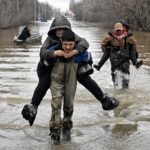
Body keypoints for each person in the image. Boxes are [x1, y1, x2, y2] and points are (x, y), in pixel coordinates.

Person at [21, 16, 119, 127]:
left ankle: (103, 99)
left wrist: (75, 51)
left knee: (84, 77)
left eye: (63, 30)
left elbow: (85, 43)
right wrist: (55, 53)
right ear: (53, 30)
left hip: (70, 65)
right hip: (51, 66)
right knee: (44, 82)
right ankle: (33, 107)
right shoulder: (50, 39)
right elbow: (42, 52)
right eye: (57, 29)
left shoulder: (72, 37)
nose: (60, 32)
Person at [94, 23, 139, 89]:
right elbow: (103, 44)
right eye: (117, 30)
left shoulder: (129, 38)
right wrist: (105, 50)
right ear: (115, 30)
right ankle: (117, 94)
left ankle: (125, 95)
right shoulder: (110, 38)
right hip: (114, 60)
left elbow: (135, 44)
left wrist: (134, 52)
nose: (118, 32)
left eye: (120, 30)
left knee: (125, 80)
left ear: (122, 30)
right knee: (115, 81)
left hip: (125, 60)